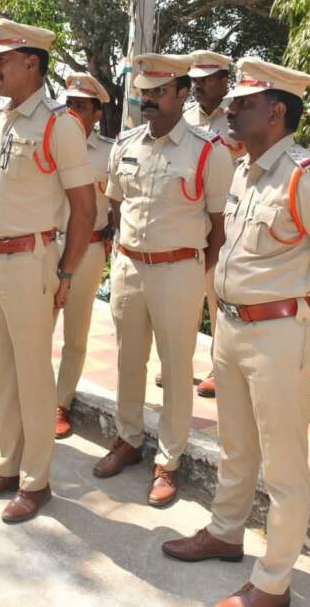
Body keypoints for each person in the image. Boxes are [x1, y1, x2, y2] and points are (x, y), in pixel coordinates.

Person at [161, 58, 310, 607]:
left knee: (283, 464)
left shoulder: (308, 176)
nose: (230, 109)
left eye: (243, 103)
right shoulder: (245, 170)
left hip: (279, 333)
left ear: (276, 112)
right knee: (236, 445)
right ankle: (225, 533)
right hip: (232, 327)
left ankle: (273, 582)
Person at [0, 19, 95, 523]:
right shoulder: (3, 120)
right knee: (3, 369)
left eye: (3, 60)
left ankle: (36, 481)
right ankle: (6, 465)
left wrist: (67, 272)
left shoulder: (60, 124)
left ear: (32, 64)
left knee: (34, 375)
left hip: (30, 262)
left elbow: (84, 208)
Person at [94, 54, 233, 508]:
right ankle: (128, 439)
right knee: (129, 361)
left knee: (175, 369)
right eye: (144, 92)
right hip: (130, 268)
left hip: (179, 271)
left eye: (159, 91)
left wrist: (197, 269)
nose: (149, 99)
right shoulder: (125, 144)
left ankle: (168, 461)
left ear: (182, 93)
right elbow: (117, 207)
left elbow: (219, 225)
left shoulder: (209, 151)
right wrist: (128, 252)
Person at [54, 72, 115, 439]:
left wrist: (110, 242)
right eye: (69, 104)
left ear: (97, 113)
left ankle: (61, 402)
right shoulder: (49, 140)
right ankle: (31, 394)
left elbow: (118, 203)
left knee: (75, 332)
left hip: (88, 249)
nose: (72, 111)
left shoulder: (109, 153)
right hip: (46, 245)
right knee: (35, 326)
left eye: (81, 106)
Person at [185, 50, 240, 398]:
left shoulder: (240, 114)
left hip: (228, 223)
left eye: (206, 80)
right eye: (195, 80)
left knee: (218, 298)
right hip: (189, 220)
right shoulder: (184, 118)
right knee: (185, 298)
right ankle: (180, 362)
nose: (198, 86)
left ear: (224, 81)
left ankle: (219, 369)